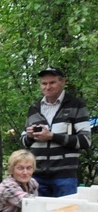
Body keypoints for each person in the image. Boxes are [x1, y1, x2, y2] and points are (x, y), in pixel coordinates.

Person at [20, 66, 91, 197]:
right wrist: (30, 136)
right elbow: (24, 141)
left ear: (62, 82)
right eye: (44, 83)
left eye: (52, 83)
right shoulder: (34, 108)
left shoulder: (76, 105)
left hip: (65, 176)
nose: (47, 87)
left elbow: (85, 141)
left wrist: (52, 136)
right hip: (37, 175)